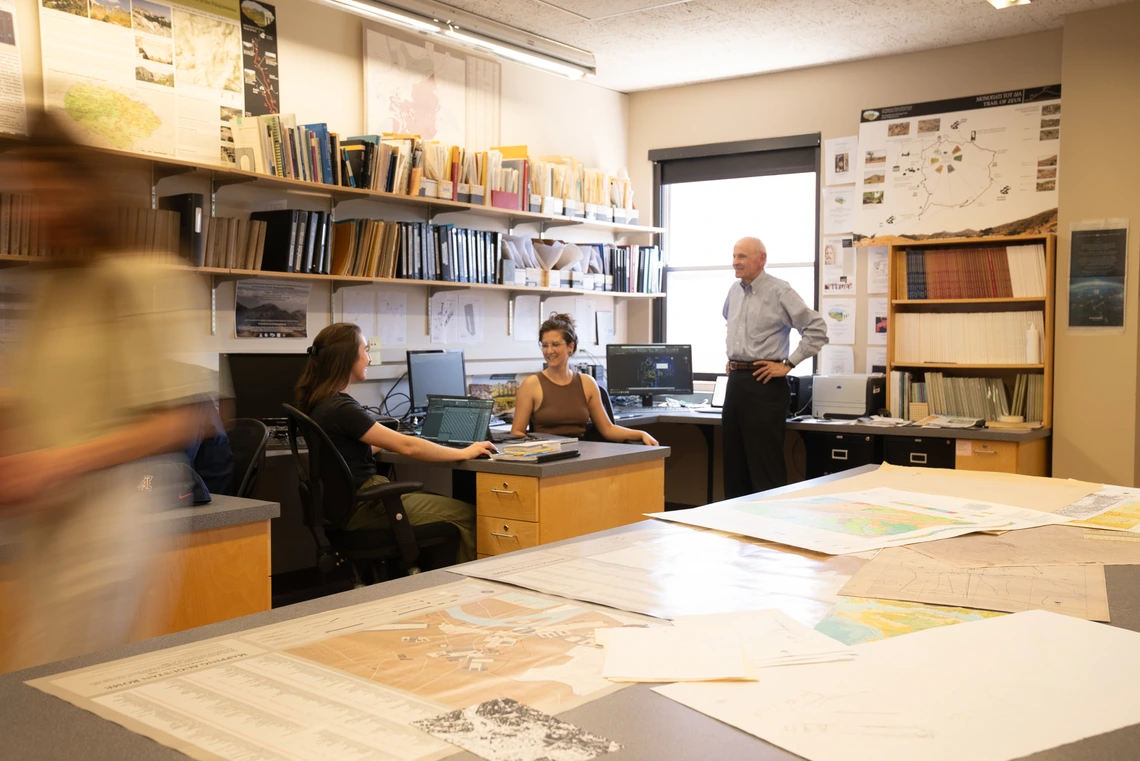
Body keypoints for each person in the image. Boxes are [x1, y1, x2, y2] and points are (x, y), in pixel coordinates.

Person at [0, 111, 206, 672]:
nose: (36, 212)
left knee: (65, 681)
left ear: (85, 189)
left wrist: (55, 464)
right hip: (45, 525)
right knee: (46, 679)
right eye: (25, 198)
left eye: (47, 193)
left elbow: (181, 418)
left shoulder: (148, 278)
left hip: (108, 519)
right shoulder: (50, 290)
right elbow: (28, 400)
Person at [294, 323, 494, 563]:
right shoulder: (342, 409)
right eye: (365, 350)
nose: (369, 359)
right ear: (347, 358)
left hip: (344, 507)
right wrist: (465, 451)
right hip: (366, 506)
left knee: (443, 504)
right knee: (469, 515)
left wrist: (386, 440)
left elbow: (344, 453)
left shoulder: (319, 403)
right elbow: (409, 447)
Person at [722, 237, 827, 498]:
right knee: (734, 465)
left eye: (742, 256)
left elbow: (816, 329)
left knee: (764, 467)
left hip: (765, 384)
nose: (735, 262)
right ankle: (735, 522)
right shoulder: (734, 291)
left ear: (761, 259)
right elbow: (732, 324)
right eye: (734, 256)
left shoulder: (780, 291)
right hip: (735, 383)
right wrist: (736, 356)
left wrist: (789, 364)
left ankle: (769, 522)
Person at [511, 313, 658, 445]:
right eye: (544, 345)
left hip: (581, 455)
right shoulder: (531, 384)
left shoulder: (587, 383)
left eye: (555, 344)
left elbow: (608, 429)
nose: (549, 351)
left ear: (570, 347)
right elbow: (517, 433)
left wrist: (641, 434)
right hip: (546, 454)